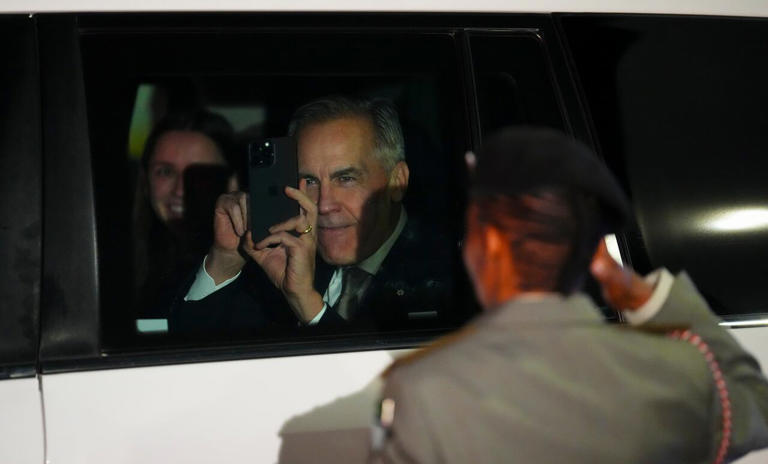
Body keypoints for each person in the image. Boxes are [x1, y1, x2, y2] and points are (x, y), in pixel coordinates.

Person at [368, 127, 768, 463]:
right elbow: (757, 406)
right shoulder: (679, 375)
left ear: (489, 245)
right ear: (592, 252)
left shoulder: (423, 392)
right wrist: (636, 291)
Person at [171, 96, 463, 333]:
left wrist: (308, 306)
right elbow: (183, 358)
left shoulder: (453, 275)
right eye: (309, 180)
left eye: (345, 178)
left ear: (397, 181)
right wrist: (225, 260)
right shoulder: (277, 265)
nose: (323, 205)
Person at [133, 109, 238, 319]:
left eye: (200, 175)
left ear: (231, 183)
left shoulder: (261, 271)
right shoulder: (115, 262)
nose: (180, 190)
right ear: (145, 182)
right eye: (165, 172)